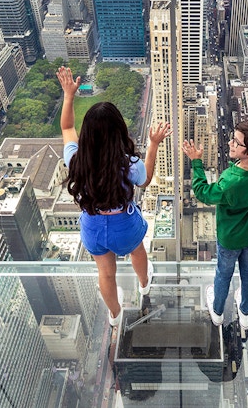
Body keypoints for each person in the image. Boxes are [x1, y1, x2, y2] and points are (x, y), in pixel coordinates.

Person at [56, 66, 171, 327]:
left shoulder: (76, 159)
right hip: (124, 225)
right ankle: (144, 285)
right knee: (137, 252)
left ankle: (115, 315)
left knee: (106, 274)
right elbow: (146, 179)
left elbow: (66, 127)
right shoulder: (127, 164)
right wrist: (153, 144)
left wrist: (69, 95)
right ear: (119, 131)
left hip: (93, 226)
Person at [182, 51, 248, 330]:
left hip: (229, 238)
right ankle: (246, 312)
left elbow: (202, 192)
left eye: (236, 143)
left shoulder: (230, 182)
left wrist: (197, 162)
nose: (230, 143)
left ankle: (217, 311)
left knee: (223, 275)